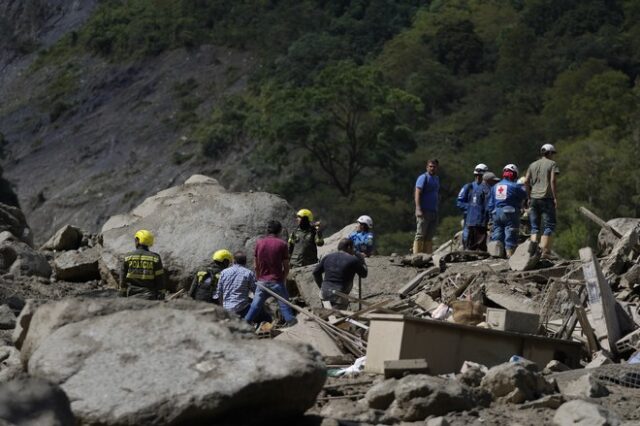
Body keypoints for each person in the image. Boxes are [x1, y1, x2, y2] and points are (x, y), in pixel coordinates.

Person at [245, 220, 298, 326]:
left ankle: (245, 322)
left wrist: (259, 278)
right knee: (284, 305)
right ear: (280, 230)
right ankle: (291, 322)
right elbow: (286, 267)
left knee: (255, 306)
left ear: (267, 230)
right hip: (277, 281)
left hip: (262, 282)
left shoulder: (259, 243)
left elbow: (256, 266)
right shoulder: (282, 244)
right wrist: (282, 280)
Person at [215, 251, 272, 323]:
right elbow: (256, 292)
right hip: (242, 309)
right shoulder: (248, 273)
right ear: (245, 262)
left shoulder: (224, 272)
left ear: (233, 261)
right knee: (265, 315)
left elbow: (219, 292)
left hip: (227, 308)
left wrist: (222, 308)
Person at [525, 144, 560, 258]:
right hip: (546, 198)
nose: (553, 156)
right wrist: (555, 197)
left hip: (534, 199)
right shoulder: (552, 164)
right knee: (549, 225)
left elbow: (526, 181)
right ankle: (545, 252)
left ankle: (532, 252)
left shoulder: (532, 164)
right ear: (549, 153)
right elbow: (553, 180)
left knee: (535, 227)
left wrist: (529, 196)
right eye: (553, 153)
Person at [313, 238, 368, 309]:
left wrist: (322, 287)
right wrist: (362, 260)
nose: (353, 250)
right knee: (339, 318)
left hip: (324, 294)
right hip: (339, 296)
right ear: (349, 247)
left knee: (327, 316)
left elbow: (315, 273)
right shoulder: (353, 260)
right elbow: (364, 274)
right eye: (353, 248)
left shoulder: (327, 257)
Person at [488, 164, 528, 258]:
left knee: (497, 233)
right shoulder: (515, 186)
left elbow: (490, 204)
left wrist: (491, 217)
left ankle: (496, 253)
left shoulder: (495, 187)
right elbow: (525, 195)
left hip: (496, 213)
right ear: (514, 175)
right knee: (511, 232)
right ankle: (510, 254)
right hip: (510, 212)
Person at [119, 229, 165, 300]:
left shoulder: (127, 257)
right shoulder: (155, 258)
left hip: (131, 295)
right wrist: (161, 295)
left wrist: (122, 295)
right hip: (149, 297)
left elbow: (122, 279)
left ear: (138, 240)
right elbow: (160, 280)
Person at [456, 164, 489, 250]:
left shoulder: (487, 188)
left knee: (481, 240)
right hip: (469, 220)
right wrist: (470, 208)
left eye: (480, 175)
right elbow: (459, 202)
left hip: (482, 221)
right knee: (467, 238)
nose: (478, 177)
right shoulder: (468, 187)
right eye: (476, 175)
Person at [414, 159, 440, 254]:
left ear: (437, 167)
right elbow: (417, 192)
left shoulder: (436, 178)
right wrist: (418, 208)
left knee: (429, 236)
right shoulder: (423, 177)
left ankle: (427, 256)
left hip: (433, 210)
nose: (432, 168)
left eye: (434, 166)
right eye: (430, 166)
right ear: (427, 167)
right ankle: (417, 256)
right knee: (420, 234)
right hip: (424, 210)